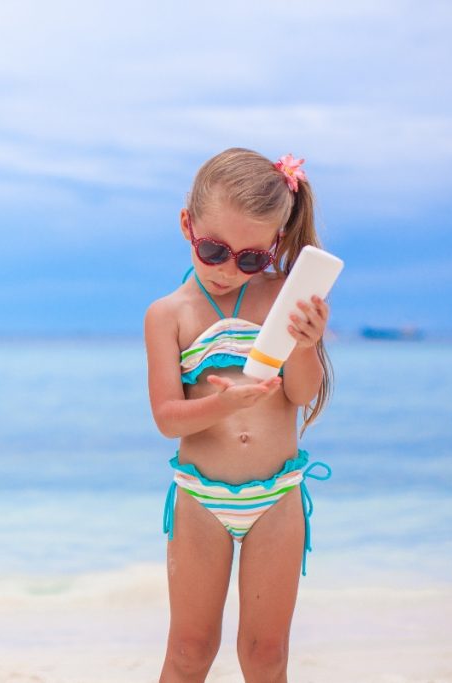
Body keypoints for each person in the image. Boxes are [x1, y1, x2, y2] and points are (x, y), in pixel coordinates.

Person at [143, 148, 334, 682]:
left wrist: (305, 346)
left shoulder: (284, 297)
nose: (230, 270)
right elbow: (167, 418)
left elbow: (300, 394)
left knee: (266, 654)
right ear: (188, 225)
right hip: (201, 500)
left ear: (274, 245)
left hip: (276, 497)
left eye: (252, 257)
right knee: (189, 650)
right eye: (214, 250)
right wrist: (219, 405)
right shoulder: (169, 315)